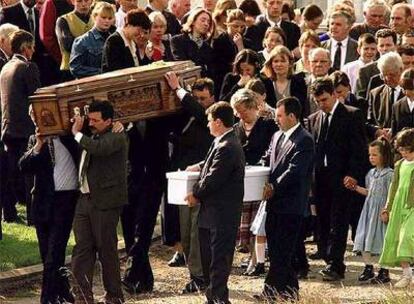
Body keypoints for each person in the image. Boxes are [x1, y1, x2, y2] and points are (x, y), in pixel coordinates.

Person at [185, 101, 245, 304]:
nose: (208, 124)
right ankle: (213, 296)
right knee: (209, 259)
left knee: (218, 260)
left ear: (218, 122)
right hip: (211, 213)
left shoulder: (228, 145)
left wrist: (195, 194)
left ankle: (218, 298)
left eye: (210, 121)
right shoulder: (220, 141)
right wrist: (198, 166)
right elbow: (210, 163)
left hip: (222, 213)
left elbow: (214, 178)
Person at [307, 77, 367, 281]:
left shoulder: (351, 115)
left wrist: (353, 174)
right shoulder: (314, 119)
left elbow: (359, 149)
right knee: (322, 220)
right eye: (317, 101)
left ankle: (335, 263)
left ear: (334, 94)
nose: (321, 104)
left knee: (338, 221)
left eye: (324, 99)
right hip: (320, 178)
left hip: (342, 178)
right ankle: (328, 257)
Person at [256, 96, 314, 301]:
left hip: (291, 205)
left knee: (282, 251)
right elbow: (267, 158)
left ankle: (270, 292)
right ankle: (291, 291)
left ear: (291, 116)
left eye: (279, 116)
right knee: (280, 250)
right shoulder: (276, 136)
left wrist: (274, 186)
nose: (276, 119)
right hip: (273, 204)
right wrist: (255, 171)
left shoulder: (304, 139)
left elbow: (295, 171)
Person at [19, 106, 79, 304]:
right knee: (48, 256)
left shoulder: (68, 136)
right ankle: (62, 293)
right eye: (33, 119)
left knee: (54, 254)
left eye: (39, 118)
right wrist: (38, 145)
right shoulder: (34, 140)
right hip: (43, 204)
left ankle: (46, 299)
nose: (37, 122)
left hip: (65, 201)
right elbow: (23, 166)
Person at [71, 100, 128, 304]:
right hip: (84, 200)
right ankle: (82, 296)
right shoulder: (92, 134)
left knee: (107, 250)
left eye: (96, 120)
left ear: (109, 121)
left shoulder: (117, 136)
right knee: (82, 250)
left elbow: (99, 149)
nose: (91, 123)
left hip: (105, 202)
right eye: (90, 119)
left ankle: (114, 296)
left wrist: (77, 133)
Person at [165, 71, 215, 293]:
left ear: (212, 98)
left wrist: (178, 89)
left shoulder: (213, 116)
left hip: (201, 180)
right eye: (197, 98)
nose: (200, 103)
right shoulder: (184, 115)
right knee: (185, 231)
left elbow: (200, 113)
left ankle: (200, 276)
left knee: (196, 232)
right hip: (181, 177)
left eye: (204, 98)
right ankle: (195, 273)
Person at [231, 88, 277, 275]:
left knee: (260, 222)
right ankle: (252, 256)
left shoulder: (268, 125)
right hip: (244, 182)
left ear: (253, 107)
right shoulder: (236, 129)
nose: (241, 115)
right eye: (238, 111)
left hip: (262, 180)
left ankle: (259, 259)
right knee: (246, 222)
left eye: (244, 110)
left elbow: (273, 149)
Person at [0, 30, 40, 224]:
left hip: (8, 128)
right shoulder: (27, 67)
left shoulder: (6, 67)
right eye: (32, 47)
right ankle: (33, 215)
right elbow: (37, 98)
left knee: (10, 174)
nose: (33, 51)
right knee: (29, 176)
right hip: (25, 129)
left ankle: (8, 212)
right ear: (25, 48)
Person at [347, 138, 393, 284]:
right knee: (365, 237)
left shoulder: (390, 175)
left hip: (380, 212)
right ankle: (368, 267)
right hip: (368, 211)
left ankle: (384, 270)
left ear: (384, 156)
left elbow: (391, 195)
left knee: (381, 239)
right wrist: (355, 188)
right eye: (370, 155)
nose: (371, 158)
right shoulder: (370, 173)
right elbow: (369, 192)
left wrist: (387, 209)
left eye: (375, 155)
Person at [379, 128, 414, 288]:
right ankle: (407, 275)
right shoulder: (400, 164)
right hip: (400, 205)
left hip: (412, 206)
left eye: (407, 150)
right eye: (401, 150)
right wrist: (388, 206)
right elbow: (394, 187)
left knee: (408, 237)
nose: (404, 153)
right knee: (398, 239)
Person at [69, 2, 115, 78]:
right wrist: (101, 72)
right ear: (95, 16)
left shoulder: (114, 39)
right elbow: (75, 68)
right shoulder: (83, 41)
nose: (107, 21)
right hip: (93, 84)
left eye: (110, 18)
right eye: (103, 17)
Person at [261, 45, 308, 119]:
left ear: (289, 63)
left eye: (283, 61)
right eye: (276, 61)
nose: (279, 64)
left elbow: (300, 108)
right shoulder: (265, 84)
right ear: (271, 64)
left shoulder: (299, 82)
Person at [212, 9, 250, 97]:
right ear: (227, 25)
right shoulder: (219, 42)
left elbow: (248, 63)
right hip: (225, 83)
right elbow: (219, 68)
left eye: (242, 27)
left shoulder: (247, 42)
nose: (239, 30)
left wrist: (240, 46)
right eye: (235, 26)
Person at [367, 52, 404, 140]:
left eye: (392, 75)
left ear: (401, 70)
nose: (387, 79)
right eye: (384, 75)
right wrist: (377, 131)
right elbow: (367, 121)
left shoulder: (411, 93)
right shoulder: (375, 94)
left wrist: (395, 131)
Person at [102, 9, 151, 73]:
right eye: (139, 30)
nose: (141, 35)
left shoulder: (133, 42)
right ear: (129, 25)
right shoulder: (114, 41)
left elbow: (138, 66)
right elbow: (115, 70)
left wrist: (147, 56)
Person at [56, 0, 93, 81]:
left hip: (93, 69)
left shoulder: (96, 19)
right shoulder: (63, 20)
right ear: (73, 1)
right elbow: (68, 45)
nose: (83, 4)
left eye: (86, 0)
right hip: (69, 71)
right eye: (79, 1)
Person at [171, 8, 214, 78]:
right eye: (203, 20)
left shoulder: (207, 46)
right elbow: (181, 63)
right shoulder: (177, 40)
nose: (206, 24)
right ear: (193, 21)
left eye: (208, 22)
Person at [356, 29, 397, 99]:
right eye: (381, 45)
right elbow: (361, 100)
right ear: (377, 47)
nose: (385, 49)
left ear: (395, 46)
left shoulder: (404, 67)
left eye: (388, 45)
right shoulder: (365, 71)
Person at [392, 68, 414, 136]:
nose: (406, 92)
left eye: (410, 88)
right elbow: (394, 133)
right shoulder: (397, 106)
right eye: (404, 88)